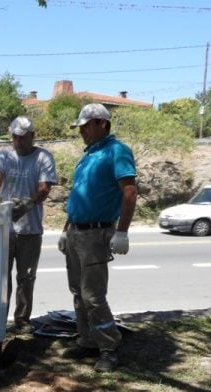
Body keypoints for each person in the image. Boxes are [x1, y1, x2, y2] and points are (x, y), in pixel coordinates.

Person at [59, 103, 138, 371]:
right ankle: (88, 341)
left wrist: (123, 231)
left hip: (96, 233)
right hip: (76, 232)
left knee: (93, 296)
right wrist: (65, 230)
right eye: (80, 127)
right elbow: (79, 195)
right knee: (78, 293)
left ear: (102, 123)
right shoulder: (89, 154)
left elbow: (129, 191)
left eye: (85, 126)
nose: (82, 131)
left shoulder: (117, 151)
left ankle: (109, 347)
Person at [0, 116, 57, 334]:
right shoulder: (3, 156)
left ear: (32, 136)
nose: (18, 142)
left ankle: (22, 320)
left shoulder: (43, 157)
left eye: (23, 137)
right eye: (15, 137)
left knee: (26, 277)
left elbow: (45, 188)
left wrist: (28, 203)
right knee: (2, 276)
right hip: (5, 228)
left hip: (30, 229)